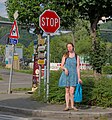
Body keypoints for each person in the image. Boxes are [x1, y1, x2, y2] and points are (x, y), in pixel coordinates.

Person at [59, 42, 82, 111]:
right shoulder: (65, 55)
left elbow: (78, 68)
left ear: (73, 47)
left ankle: (72, 105)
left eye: (70, 46)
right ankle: (67, 106)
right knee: (67, 91)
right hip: (66, 75)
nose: (69, 48)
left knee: (72, 92)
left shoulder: (76, 56)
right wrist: (65, 69)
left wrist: (79, 78)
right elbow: (61, 65)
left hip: (73, 75)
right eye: (68, 47)